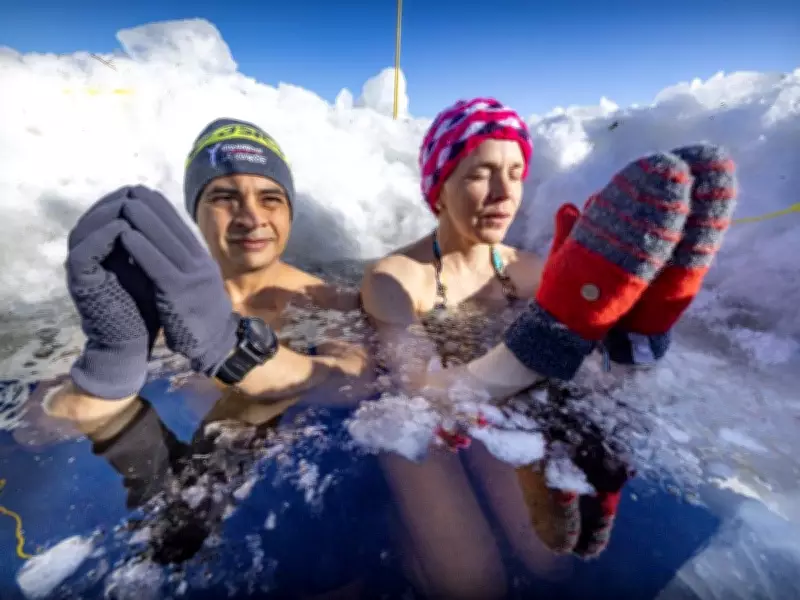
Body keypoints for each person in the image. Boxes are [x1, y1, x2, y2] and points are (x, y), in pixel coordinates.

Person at [359, 97, 738, 595]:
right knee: (475, 585)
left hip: (511, 410)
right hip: (439, 426)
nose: (503, 193)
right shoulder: (395, 280)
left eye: (515, 173)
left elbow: (580, 364)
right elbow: (420, 395)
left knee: (551, 563)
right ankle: (401, 545)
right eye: (480, 173)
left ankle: (641, 338)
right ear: (439, 185)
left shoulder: (535, 270)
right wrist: (533, 349)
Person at [41, 118, 386, 598]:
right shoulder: (143, 305)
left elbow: (358, 380)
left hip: (301, 499)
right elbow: (38, 432)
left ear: (289, 212)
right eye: (224, 198)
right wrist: (112, 363)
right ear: (194, 210)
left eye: (271, 198)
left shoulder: (326, 299)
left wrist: (232, 350)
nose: (251, 217)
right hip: (162, 501)